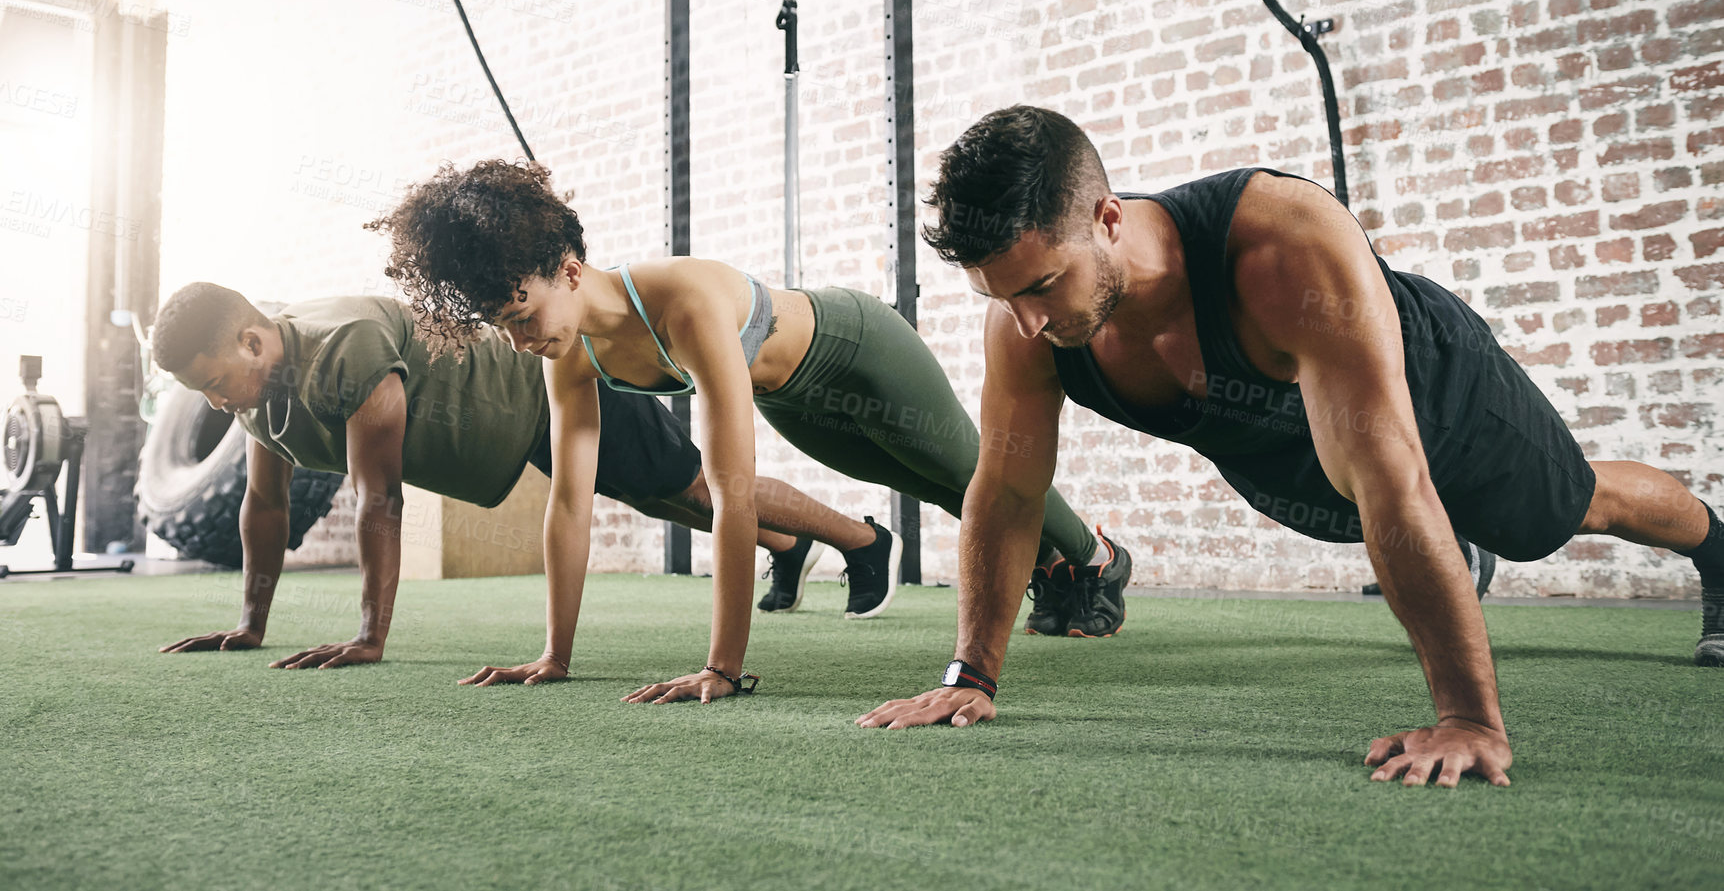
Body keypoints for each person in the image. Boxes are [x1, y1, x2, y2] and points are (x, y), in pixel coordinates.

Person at [858, 105, 1723, 790]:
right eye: (1001, 296)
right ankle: (1449, 551)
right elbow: (1007, 493)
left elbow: (1391, 476)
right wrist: (971, 673)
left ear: (1108, 218)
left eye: (1043, 285)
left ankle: (1715, 547)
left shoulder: (1284, 246)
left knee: (1560, 510)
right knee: (1362, 513)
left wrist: (1466, 718)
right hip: (1298, 458)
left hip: (1433, 390)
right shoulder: (1027, 323)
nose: (1027, 322)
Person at [366, 160, 1126, 705]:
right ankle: (1056, 571)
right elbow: (569, 503)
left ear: (568, 270)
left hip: (859, 350)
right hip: (794, 398)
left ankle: (1097, 558)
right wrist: (554, 655)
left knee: (981, 471)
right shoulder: (569, 352)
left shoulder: (683, 302)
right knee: (937, 486)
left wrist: (721, 668)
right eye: (503, 327)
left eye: (522, 314)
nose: (520, 338)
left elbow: (732, 500)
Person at [151, 284, 890, 671]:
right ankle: (788, 549)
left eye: (217, 381)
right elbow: (263, 503)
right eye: (206, 392)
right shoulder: (255, 392)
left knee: (694, 486)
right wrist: (252, 624)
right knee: (664, 497)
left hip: (544, 383)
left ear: (252, 341)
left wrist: (369, 636)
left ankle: (862, 540)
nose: (218, 401)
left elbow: (381, 497)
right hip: (506, 424)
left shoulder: (345, 347)